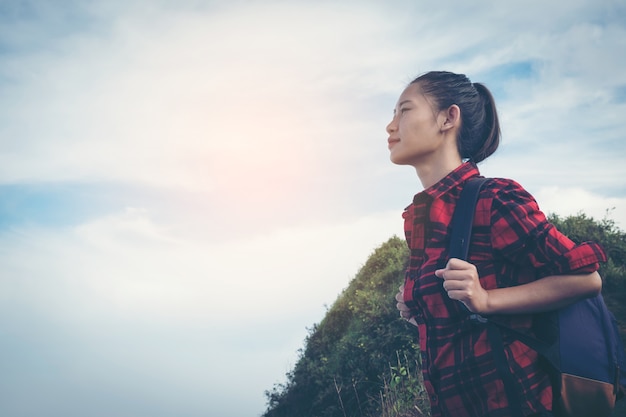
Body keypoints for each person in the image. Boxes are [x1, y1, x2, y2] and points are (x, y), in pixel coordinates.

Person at [388, 71, 607, 417]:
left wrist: (488, 299)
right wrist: (418, 312)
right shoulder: (419, 218)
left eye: (404, 110)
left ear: (449, 117)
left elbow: (586, 278)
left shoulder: (495, 198)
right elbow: (462, 324)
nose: (391, 126)